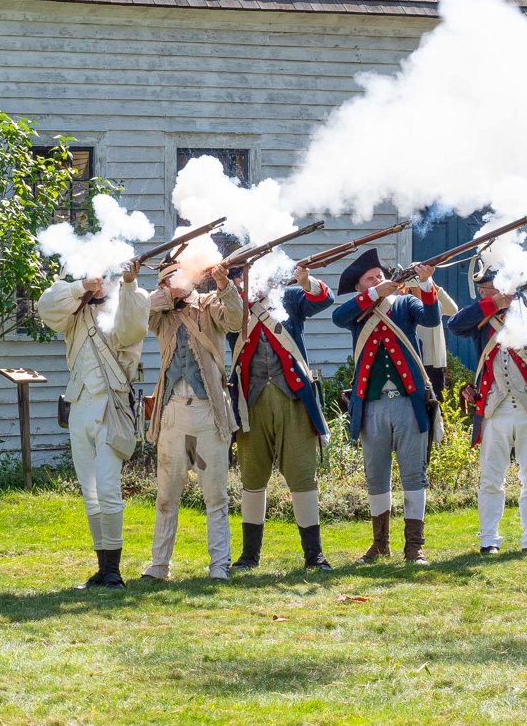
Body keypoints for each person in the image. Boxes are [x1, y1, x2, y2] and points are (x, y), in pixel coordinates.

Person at [38, 261, 150, 590]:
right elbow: (46, 308)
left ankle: (114, 571)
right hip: (80, 405)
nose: (99, 281)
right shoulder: (75, 305)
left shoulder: (131, 298)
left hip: (112, 406)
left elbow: (132, 329)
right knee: (90, 494)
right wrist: (79, 286)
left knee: (109, 489)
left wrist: (128, 284)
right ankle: (102, 569)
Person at [332, 248, 440, 564]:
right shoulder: (357, 310)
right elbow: (338, 317)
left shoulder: (405, 303)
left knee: (413, 475)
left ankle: (414, 546)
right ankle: (380, 544)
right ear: (360, 287)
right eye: (371, 278)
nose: (379, 279)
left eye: (380, 275)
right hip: (372, 405)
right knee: (377, 477)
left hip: (408, 402)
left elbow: (431, 318)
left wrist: (426, 285)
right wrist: (375, 294)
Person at [450, 258, 527, 554]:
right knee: (491, 477)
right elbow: (455, 325)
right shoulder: (481, 316)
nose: (483, 295)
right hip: (493, 410)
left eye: (489, 289)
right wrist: (493, 303)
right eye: (483, 290)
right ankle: (488, 538)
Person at [228, 262, 336, 571]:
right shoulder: (235, 309)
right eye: (241, 277)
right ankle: (249, 557)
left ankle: (314, 556)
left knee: (302, 476)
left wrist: (305, 280)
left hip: (293, 401)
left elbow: (322, 300)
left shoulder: (288, 299)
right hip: (251, 403)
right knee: (252, 478)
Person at [141, 260, 244, 581]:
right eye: (171, 278)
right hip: (172, 415)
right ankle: (159, 566)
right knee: (166, 496)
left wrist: (225, 286)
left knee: (215, 496)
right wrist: (168, 292)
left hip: (207, 414)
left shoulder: (210, 304)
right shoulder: (160, 313)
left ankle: (219, 566)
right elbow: (139, 312)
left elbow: (238, 319)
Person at [409, 281, 460, 399]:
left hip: (434, 362)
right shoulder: (405, 303)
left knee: (437, 402)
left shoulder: (434, 303)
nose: (417, 283)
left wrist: (435, 287)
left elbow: (453, 310)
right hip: (413, 360)